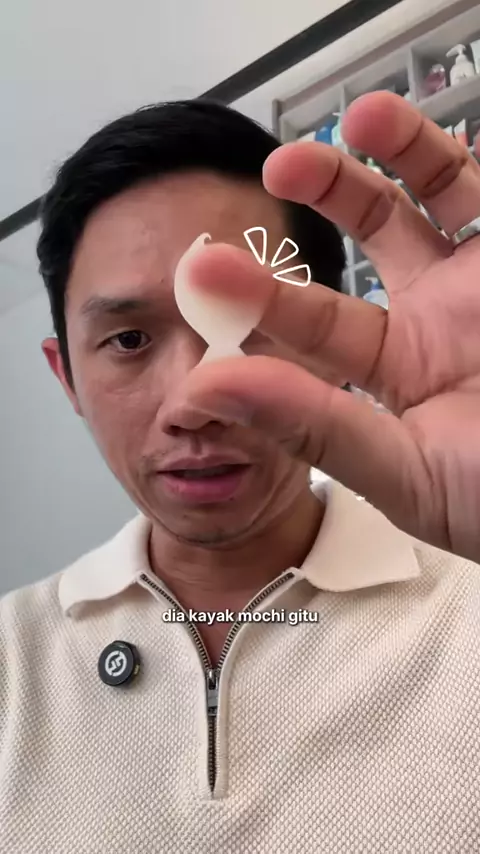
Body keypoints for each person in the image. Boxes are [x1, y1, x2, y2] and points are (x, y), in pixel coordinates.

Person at [1, 91, 479, 853]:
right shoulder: (12, 664)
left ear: (337, 342)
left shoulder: (467, 607)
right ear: (68, 379)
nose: (196, 401)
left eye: (248, 323)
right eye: (129, 340)